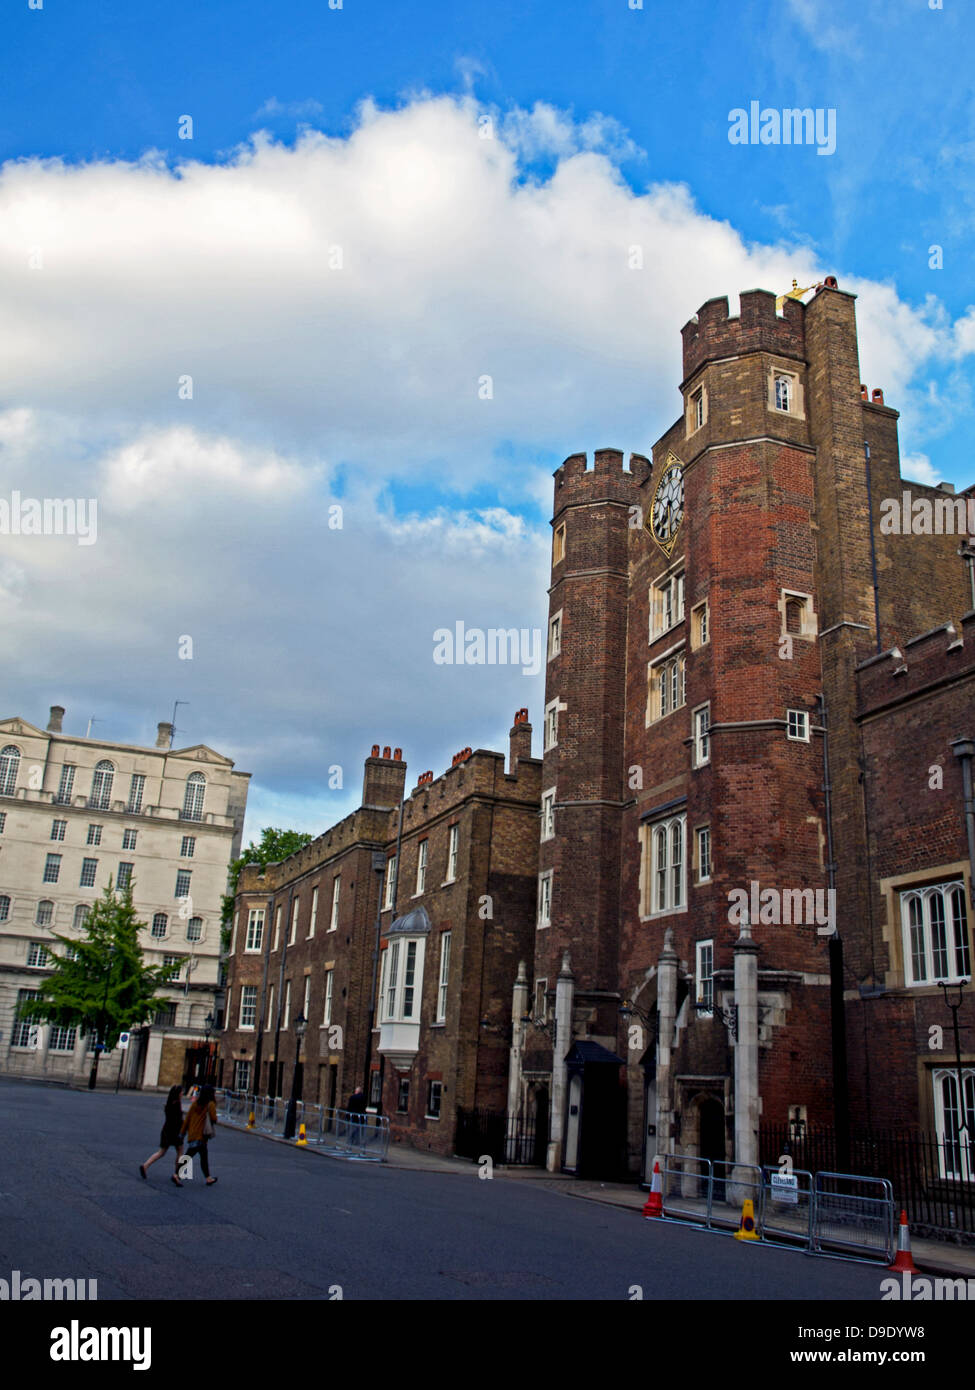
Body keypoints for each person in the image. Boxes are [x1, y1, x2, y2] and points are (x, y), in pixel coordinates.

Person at [140, 1085, 185, 1184]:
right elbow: (178, 1120)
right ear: (178, 1093)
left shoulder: (169, 1104)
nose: (183, 1093)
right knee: (180, 1152)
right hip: (175, 1131)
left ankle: (145, 1165)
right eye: (181, 1092)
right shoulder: (177, 1104)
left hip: (166, 1130)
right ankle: (177, 1174)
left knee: (161, 1152)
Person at [180, 1082, 219, 1185]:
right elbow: (214, 1118)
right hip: (201, 1135)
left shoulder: (195, 1103)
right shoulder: (210, 1104)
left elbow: (187, 1119)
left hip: (193, 1133)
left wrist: (182, 1133)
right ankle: (176, 1174)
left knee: (203, 1157)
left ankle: (208, 1178)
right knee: (189, 1155)